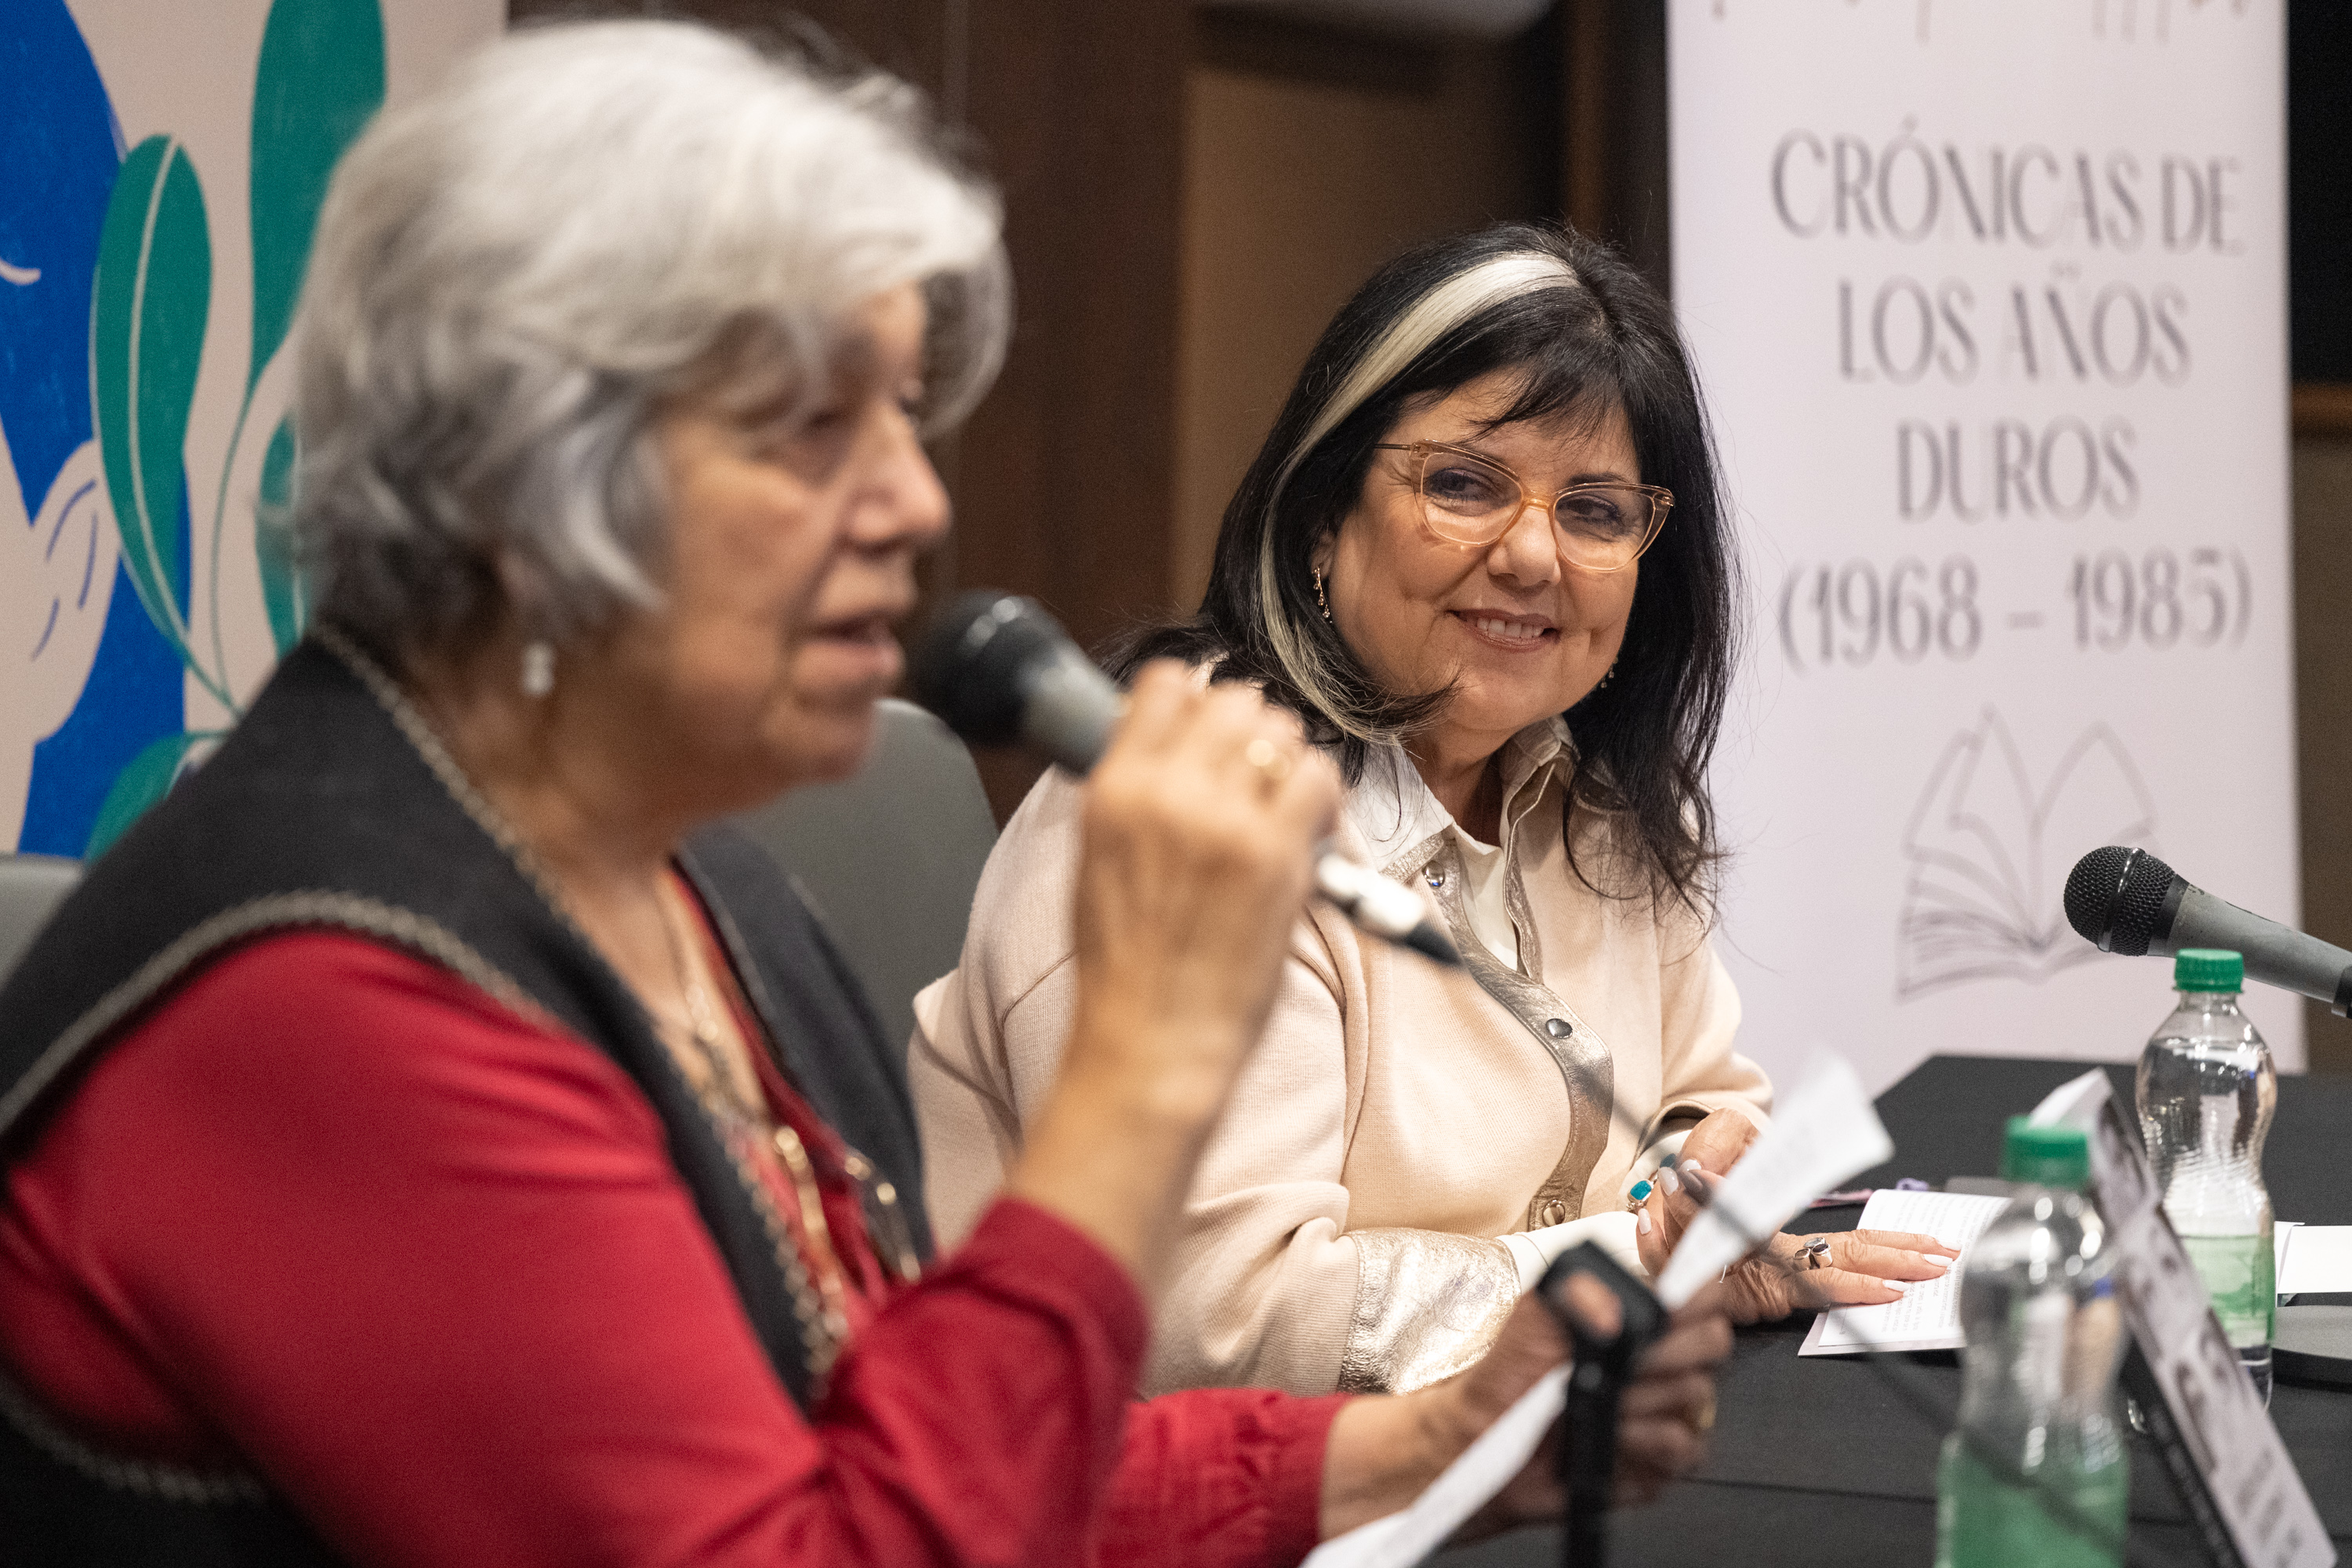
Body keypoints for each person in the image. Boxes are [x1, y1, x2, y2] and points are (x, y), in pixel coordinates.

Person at [0, 27, 1733, 1566]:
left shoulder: (703, 894)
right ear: (514, 470)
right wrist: (1140, 1062)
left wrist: (1433, 1443)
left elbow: (930, 1453)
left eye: (907, 417)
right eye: (810, 426)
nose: (914, 503)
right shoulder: (329, 997)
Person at [911, 224, 1957, 1399]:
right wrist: (1651, 1266)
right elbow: (1225, 1327)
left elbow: (1699, 1102)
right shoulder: (1185, 804)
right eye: (1463, 484)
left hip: (1492, 1453)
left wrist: (1690, 1175)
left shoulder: (1599, 796)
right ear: (1321, 517)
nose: (1532, 555)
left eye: (1596, 511)